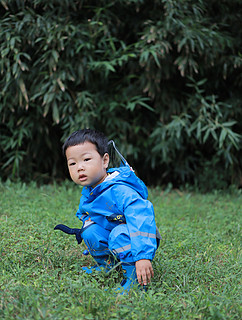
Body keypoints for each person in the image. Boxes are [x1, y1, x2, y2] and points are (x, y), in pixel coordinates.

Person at [55, 129, 161, 293]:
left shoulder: (120, 190)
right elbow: (87, 214)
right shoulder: (90, 190)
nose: (80, 167)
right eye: (72, 163)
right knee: (90, 231)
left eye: (86, 159)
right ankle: (108, 267)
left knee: (119, 233)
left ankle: (135, 279)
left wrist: (143, 256)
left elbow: (142, 218)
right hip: (114, 233)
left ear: (105, 161)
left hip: (136, 236)